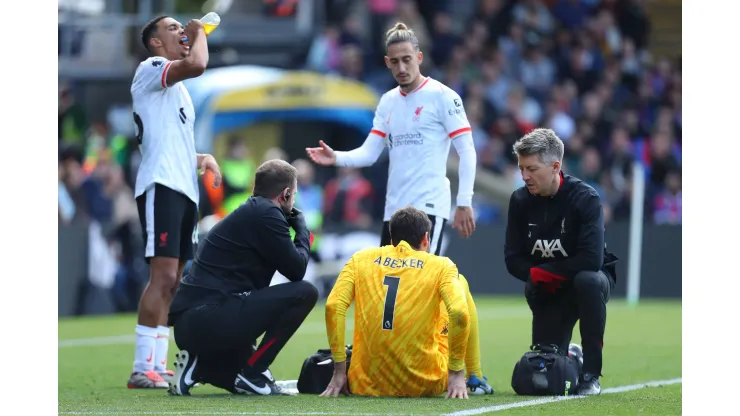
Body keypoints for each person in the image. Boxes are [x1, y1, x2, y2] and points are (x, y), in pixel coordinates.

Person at [306, 22, 477, 255]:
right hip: (393, 210)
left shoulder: (443, 97)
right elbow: (369, 153)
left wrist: (464, 201)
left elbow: (467, 150)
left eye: (407, 59)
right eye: (395, 61)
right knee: (390, 284)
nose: (402, 67)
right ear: (387, 62)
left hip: (427, 207)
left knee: (420, 282)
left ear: (419, 57)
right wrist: (336, 157)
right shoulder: (387, 101)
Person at [167, 159, 318, 396]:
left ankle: (198, 368)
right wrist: (302, 231)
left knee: (242, 383)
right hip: (210, 317)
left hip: (196, 322)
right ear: (286, 193)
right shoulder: (268, 213)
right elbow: (297, 270)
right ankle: (253, 371)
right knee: (306, 292)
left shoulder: (255, 210)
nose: (294, 200)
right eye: (294, 194)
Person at [127, 15, 223, 389]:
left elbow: (171, 143)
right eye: (173, 29)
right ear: (154, 42)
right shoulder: (151, 68)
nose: (182, 32)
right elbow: (198, 63)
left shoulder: (178, 93)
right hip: (161, 185)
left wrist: (203, 159)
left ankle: (156, 364)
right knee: (163, 276)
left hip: (184, 188)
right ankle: (141, 367)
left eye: (184, 28)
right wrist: (200, 32)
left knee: (175, 281)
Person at [321, 206, 494, 398]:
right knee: (460, 283)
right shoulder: (441, 265)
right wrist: (454, 372)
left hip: (365, 383)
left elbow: (333, 305)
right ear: (426, 238)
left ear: (391, 237)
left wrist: (339, 370)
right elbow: (460, 314)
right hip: (428, 382)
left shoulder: (360, 259)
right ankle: (475, 377)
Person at [504, 128, 618, 396]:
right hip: (547, 287)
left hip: (589, 280)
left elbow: (591, 260)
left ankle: (591, 374)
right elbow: (512, 259)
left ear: (555, 166)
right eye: (521, 168)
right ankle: (570, 355)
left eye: (531, 168)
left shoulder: (585, 198)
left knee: (587, 280)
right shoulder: (519, 201)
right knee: (546, 371)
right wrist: (538, 277)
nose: (524, 176)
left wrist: (543, 272)